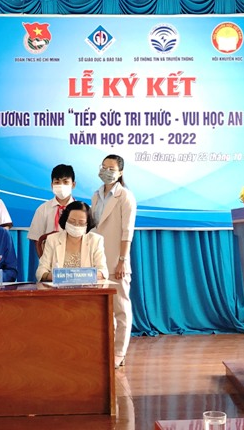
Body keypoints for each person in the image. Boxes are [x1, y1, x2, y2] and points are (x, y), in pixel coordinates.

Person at [91, 154, 136, 369]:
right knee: (103, 310)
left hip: (117, 260)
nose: (107, 171)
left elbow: (127, 232)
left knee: (121, 308)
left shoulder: (125, 196)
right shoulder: (96, 195)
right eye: (104, 167)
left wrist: (122, 260)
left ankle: (119, 352)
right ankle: (106, 349)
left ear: (120, 172)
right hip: (97, 261)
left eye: (112, 168)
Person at [35, 201, 108, 282]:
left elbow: (103, 271)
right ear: (65, 220)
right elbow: (40, 271)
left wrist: (81, 275)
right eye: (72, 221)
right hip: (58, 288)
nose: (76, 225)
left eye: (81, 222)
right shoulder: (52, 239)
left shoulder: (95, 240)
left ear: (87, 223)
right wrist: (55, 276)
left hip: (86, 288)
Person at [27, 164, 76, 253]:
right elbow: (37, 239)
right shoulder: (42, 209)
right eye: (57, 182)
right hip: (49, 257)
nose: (61, 186)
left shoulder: (81, 210)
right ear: (52, 185)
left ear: (73, 184)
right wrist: (43, 259)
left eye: (65, 182)